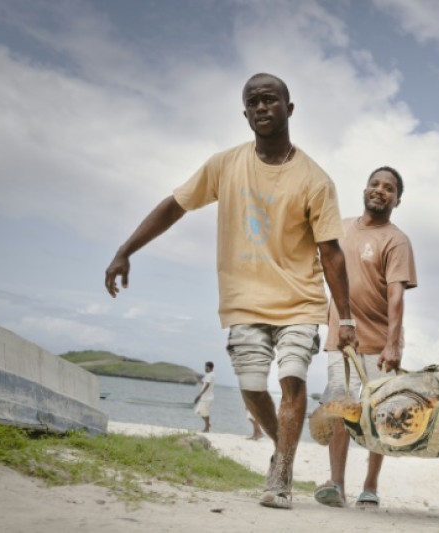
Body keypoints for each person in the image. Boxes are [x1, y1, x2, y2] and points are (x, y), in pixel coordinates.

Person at [104, 73, 356, 511]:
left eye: (270, 100)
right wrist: (126, 250)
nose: (262, 108)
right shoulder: (224, 164)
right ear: (245, 113)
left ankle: (279, 476)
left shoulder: (315, 179)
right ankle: (285, 453)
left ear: (289, 109)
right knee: (251, 384)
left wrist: (347, 318)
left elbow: (331, 253)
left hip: (299, 300)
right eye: (253, 102)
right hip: (243, 300)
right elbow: (174, 206)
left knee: (292, 379)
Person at [315, 166, 417, 509]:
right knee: (341, 409)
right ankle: (337, 483)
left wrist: (392, 343)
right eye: (375, 184)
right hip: (340, 339)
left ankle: (370, 486)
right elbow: (323, 272)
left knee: (380, 417)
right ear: (364, 189)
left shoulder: (396, 240)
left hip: (379, 344)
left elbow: (396, 296)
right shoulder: (340, 228)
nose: (380, 190)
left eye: (388, 188)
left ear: (397, 200)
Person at [194, 361, 215, 433]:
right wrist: (201, 382)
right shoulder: (210, 375)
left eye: (205, 367)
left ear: (208, 367)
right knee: (199, 411)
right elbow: (206, 384)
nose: (204, 368)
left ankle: (207, 428)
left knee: (205, 413)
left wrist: (200, 394)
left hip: (206, 398)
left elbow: (207, 385)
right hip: (206, 397)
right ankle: (207, 425)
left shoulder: (210, 375)